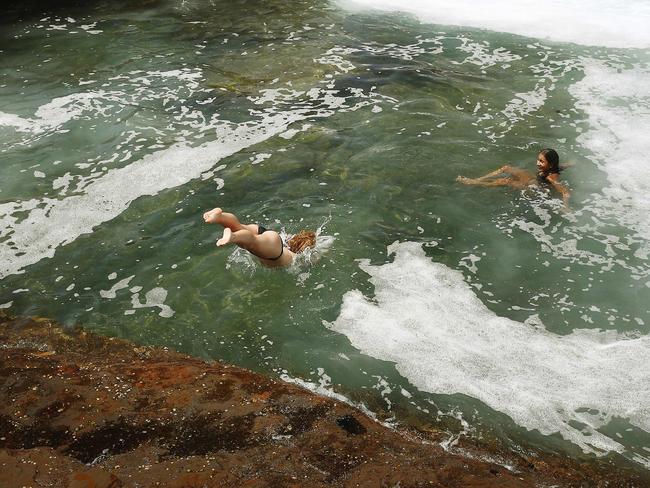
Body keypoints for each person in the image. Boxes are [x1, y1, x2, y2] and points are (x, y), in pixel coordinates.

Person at [456, 148, 570, 209]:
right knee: (507, 168)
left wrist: (566, 207)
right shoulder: (555, 166)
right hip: (534, 179)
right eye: (538, 159)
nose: (538, 163)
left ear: (550, 165)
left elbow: (565, 192)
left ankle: (472, 183)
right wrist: (573, 163)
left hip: (536, 189)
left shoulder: (551, 178)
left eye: (541, 161)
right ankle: (478, 179)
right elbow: (563, 166)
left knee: (506, 181)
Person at [203, 208, 316, 268]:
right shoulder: (293, 257)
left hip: (267, 233)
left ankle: (219, 217)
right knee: (251, 242)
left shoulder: (286, 240)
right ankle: (233, 237)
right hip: (275, 250)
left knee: (239, 226)